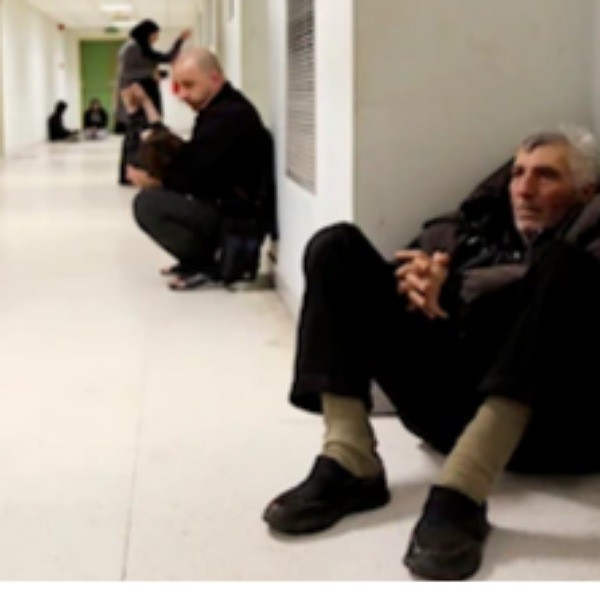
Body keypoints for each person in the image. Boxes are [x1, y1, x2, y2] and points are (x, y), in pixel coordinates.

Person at [262, 126, 600, 580]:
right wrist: (418, 277)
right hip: (451, 410)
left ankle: (464, 488)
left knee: (563, 269)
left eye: (546, 176)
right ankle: (350, 460)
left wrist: (457, 287)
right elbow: (418, 263)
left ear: (585, 192)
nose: (524, 188)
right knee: (335, 247)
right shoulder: (477, 225)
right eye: (518, 173)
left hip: (550, 428)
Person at [125, 47, 275, 290]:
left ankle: (204, 262)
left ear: (214, 79)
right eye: (178, 87)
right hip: (230, 208)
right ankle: (198, 259)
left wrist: (155, 181)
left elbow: (194, 178)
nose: (183, 95)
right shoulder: (222, 110)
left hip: (236, 217)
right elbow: (194, 163)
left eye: (189, 85)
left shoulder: (226, 116)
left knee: (148, 204)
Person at [116, 19, 191, 183]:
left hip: (145, 95)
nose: (156, 38)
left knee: (144, 135)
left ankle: (141, 170)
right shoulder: (131, 48)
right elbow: (127, 73)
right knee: (136, 135)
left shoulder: (143, 48)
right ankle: (131, 173)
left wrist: (180, 41)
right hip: (136, 97)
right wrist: (151, 74)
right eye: (154, 34)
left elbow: (167, 58)